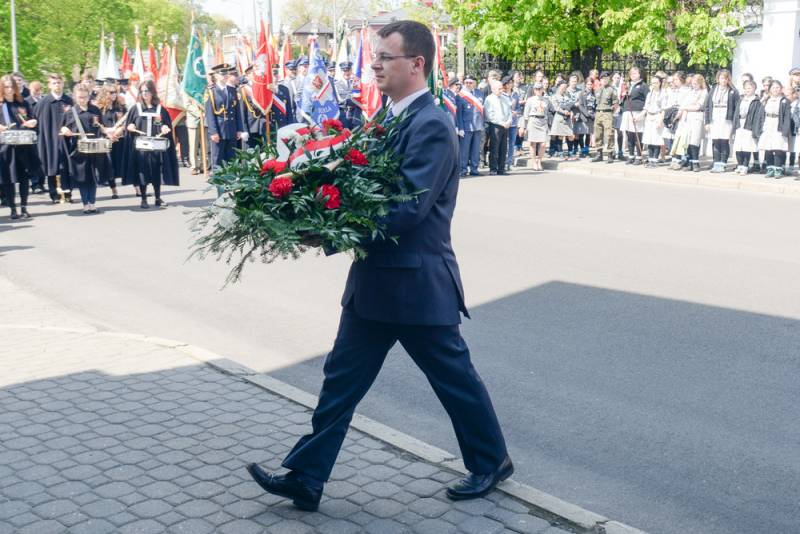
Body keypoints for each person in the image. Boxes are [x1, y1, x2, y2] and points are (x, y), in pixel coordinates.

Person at [246, 20, 512, 511]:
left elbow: (408, 208)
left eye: (385, 58)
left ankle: (491, 461)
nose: (374, 67)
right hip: (374, 283)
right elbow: (355, 183)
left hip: (416, 286)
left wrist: (331, 231)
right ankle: (306, 477)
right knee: (340, 381)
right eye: (375, 58)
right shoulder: (386, 118)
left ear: (417, 63)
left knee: (454, 381)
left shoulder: (431, 125)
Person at [122, 80, 180, 207]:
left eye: (147, 91)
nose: (144, 93)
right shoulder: (135, 109)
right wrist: (130, 127)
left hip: (156, 147)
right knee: (142, 172)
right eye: (142, 91)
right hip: (141, 148)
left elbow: (163, 124)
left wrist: (164, 128)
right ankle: (143, 199)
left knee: (156, 172)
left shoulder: (160, 109)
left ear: (152, 92)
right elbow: (129, 125)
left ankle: (158, 198)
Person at [59, 85, 109, 214]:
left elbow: (102, 126)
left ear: (89, 96)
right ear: (75, 97)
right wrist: (65, 129)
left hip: (95, 148)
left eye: (85, 97)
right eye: (80, 97)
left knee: (92, 177)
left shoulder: (95, 110)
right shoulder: (70, 112)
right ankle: (85, 203)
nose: (83, 100)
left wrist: (108, 133)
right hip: (79, 149)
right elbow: (62, 127)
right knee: (83, 177)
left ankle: (92, 203)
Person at [0, 74, 38, 219]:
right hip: (6, 147)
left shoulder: (23, 103)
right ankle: (12, 209)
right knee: (8, 179)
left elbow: (33, 119)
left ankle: (24, 207)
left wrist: (32, 122)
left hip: (23, 145)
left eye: (12, 87)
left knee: (24, 178)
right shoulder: (1, 105)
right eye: (6, 87)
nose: (9, 90)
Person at [34, 73, 73, 203]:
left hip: (66, 140)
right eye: (54, 83)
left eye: (59, 82)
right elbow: (36, 122)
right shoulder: (42, 103)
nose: (57, 85)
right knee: (52, 167)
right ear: (49, 85)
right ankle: (54, 194)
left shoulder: (69, 101)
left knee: (67, 167)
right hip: (49, 141)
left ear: (62, 83)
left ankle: (68, 193)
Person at [204, 64, 246, 175]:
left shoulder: (232, 90)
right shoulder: (211, 92)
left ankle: (230, 179)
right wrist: (213, 132)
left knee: (231, 157)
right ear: (216, 76)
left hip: (231, 128)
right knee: (218, 157)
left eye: (226, 73)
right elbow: (210, 114)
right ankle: (218, 179)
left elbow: (237, 112)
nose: (225, 76)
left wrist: (239, 129)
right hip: (219, 129)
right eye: (222, 74)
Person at [671, 74, 708, 172]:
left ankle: (696, 163)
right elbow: (684, 105)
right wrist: (682, 115)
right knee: (687, 141)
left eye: (696, 83)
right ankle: (690, 162)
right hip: (687, 118)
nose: (694, 85)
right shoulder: (690, 92)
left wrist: (685, 107)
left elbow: (698, 107)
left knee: (694, 141)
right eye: (693, 83)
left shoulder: (704, 92)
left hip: (697, 117)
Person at [704, 69, 739, 173]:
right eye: (721, 78)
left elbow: (737, 108)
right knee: (715, 141)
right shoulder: (713, 89)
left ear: (728, 79)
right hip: (715, 117)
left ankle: (722, 164)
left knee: (724, 141)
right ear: (718, 79)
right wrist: (707, 121)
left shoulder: (733, 91)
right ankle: (716, 163)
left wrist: (735, 123)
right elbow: (707, 105)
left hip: (726, 119)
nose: (723, 80)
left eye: (725, 78)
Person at [97, 83, 126, 199]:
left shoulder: (120, 107)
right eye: (111, 92)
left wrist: (118, 131)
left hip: (119, 139)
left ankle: (138, 189)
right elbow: (97, 124)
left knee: (123, 163)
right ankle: (114, 190)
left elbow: (126, 121)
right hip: (106, 140)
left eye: (115, 92)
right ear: (105, 93)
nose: (114, 95)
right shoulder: (99, 109)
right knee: (109, 165)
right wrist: (107, 132)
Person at [758, 80, 792, 179]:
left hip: (778, 125)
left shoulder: (784, 101)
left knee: (778, 148)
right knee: (768, 148)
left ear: (781, 89)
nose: (775, 89)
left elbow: (787, 116)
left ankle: (778, 169)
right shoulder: (766, 100)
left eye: (778, 87)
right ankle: (770, 169)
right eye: (773, 87)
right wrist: (760, 126)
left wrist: (785, 130)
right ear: (770, 89)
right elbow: (761, 114)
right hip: (768, 124)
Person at [731, 80, 763, 175]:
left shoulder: (757, 101)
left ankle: (745, 166)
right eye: (745, 88)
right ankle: (740, 165)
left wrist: (755, 128)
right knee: (738, 147)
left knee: (746, 147)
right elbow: (736, 113)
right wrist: (734, 126)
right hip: (739, 124)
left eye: (749, 88)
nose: (747, 90)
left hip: (749, 125)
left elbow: (757, 116)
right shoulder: (741, 99)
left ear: (754, 89)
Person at [455, 75, 484, 176]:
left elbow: (482, 109)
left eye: (470, 82)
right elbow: (459, 113)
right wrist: (460, 128)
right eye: (466, 82)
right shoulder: (460, 95)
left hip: (478, 125)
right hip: (466, 126)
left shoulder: (479, 93)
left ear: (474, 83)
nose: (468, 84)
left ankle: (474, 169)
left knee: (476, 149)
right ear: (464, 83)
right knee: (464, 150)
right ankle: (463, 169)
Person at [519, 81, 550, 171]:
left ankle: (539, 160)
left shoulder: (546, 100)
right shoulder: (530, 100)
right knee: (533, 143)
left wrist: (547, 123)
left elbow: (547, 112)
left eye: (540, 89)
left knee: (543, 144)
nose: (538, 90)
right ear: (534, 90)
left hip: (542, 121)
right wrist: (523, 126)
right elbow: (526, 114)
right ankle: (534, 162)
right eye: (536, 89)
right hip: (533, 120)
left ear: (542, 89)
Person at [620, 67, 648, 165]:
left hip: (637, 112)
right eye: (631, 73)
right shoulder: (628, 85)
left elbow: (647, 100)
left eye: (635, 73)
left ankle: (639, 157)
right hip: (627, 111)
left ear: (640, 74)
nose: (632, 75)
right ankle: (631, 156)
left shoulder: (643, 86)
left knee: (637, 135)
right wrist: (623, 95)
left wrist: (642, 113)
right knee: (629, 135)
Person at [484, 79, 512, 175]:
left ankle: (501, 168)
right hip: (495, 126)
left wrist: (509, 121)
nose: (501, 90)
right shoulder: (489, 99)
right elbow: (489, 115)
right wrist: (501, 123)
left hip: (505, 126)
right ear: (493, 89)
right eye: (499, 89)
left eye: (501, 88)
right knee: (494, 148)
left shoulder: (505, 98)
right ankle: (493, 168)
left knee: (503, 148)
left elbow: (509, 112)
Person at [591, 72, 618, 162]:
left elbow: (615, 103)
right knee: (597, 134)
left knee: (609, 134)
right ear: (600, 80)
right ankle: (599, 154)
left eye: (606, 79)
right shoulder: (597, 90)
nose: (604, 80)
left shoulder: (612, 90)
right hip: (598, 113)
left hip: (607, 113)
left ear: (609, 79)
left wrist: (611, 112)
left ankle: (610, 154)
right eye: (603, 79)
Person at [641, 75, 667, 168]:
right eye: (652, 83)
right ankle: (650, 159)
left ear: (660, 83)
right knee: (649, 139)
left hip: (657, 116)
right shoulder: (650, 94)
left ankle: (655, 160)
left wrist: (660, 121)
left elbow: (663, 109)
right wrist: (638, 116)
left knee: (656, 140)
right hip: (649, 117)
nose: (654, 85)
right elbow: (646, 107)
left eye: (656, 83)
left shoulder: (663, 94)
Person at [549, 80, 575, 160]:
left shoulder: (567, 96)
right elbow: (556, 107)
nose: (564, 89)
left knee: (570, 135)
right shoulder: (554, 96)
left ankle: (570, 153)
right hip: (560, 117)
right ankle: (560, 153)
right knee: (560, 135)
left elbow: (571, 104)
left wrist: (571, 112)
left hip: (568, 118)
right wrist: (564, 112)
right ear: (558, 87)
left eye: (565, 87)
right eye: (562, 87)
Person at [503, 76, 521, 170]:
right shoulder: (502, 94)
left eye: (511, 83)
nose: (511, 84)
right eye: (509, 83)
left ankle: (509, 163)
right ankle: (502, 161)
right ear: (505, 84)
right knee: (504, 143)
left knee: (512, 143)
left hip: (513, 122)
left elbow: (518, 107)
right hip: (504, 122)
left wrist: (516, 112)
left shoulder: (515, 94)